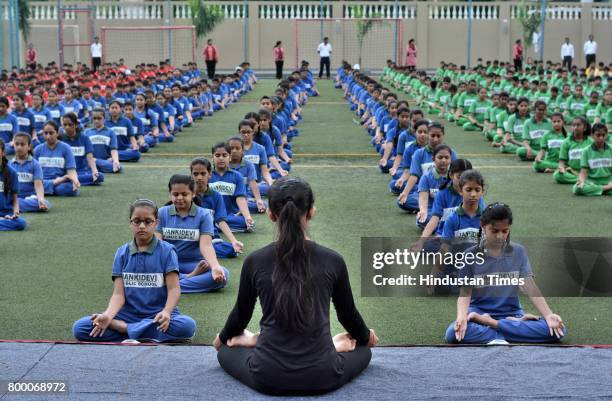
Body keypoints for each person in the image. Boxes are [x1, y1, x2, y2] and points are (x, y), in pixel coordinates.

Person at [213, 176, 378, 395]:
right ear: (311, 212)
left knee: (225, 350)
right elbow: (347, 316)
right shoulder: (332, 260)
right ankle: (331, 346)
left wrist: (221, 339)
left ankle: (256, 340)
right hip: (323, 374)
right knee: (363, 351)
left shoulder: (255, 261)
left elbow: (240, 316)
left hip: (267, 376)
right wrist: (366, 337)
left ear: (271, 215)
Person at [72, 199, 197, 343]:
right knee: (80, 328)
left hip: (157, 316)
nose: (142, 226)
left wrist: (167, 312)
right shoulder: (121, 252)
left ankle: (125, 330)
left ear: (156, 223)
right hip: (128, 315)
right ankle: (144, 333)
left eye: (148, 221)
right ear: (130, 223)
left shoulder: (167, 251)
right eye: (137, 221)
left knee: (187, 326)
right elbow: (118, 294)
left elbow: (174, 289)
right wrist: (108, 315)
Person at [446, 203, 566, 345]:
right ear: (483, 226)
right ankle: (511, 330)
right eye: (494, 231)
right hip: (477, 313)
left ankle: (494, 328)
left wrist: (548, 315)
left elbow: (530, 287)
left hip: (512, 314)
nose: (500, 236)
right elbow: (465, 293)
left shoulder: (519, 252)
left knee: (559, 329)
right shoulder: (469, 255)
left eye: (505, 231)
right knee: (452, 334)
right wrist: (461, 317)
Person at [156, 174, 229, 293]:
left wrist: (215, 266)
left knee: (222, 274)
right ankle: (188, 278)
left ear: (193, 194)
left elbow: (206, 245)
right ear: (170, 194)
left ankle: (167, 286)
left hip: (195, 264)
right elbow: (157, 244)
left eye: (184, 194)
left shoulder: (204, 215)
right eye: (175, 194)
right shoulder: (162, 213)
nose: (179, 198)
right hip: (169, 264)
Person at [9, 133, 51, 213]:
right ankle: (15, 205)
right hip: (13, 197)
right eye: (17, 144)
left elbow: (38, 184)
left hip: (30, 197)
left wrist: (41, 200)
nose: (19, 147)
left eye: (22, 144)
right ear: (13, 145)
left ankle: (14, 206)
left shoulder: (35, 164)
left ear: (29, 147)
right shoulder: (9, 164)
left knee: (46, 203)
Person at [573, 123, 612, 196]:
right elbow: (583, 171)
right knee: (577, 188)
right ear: (592, 135)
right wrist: (581, 181)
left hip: (609, 180)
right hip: (592, 181)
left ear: (606, 135)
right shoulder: (586, 151)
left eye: (603, 135)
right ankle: (606, 189)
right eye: (598, 135)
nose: (601, 138)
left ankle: (597, 190)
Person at [0, 139, 27, 231]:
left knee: (21, 223)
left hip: (6, 214)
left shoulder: (12, 173)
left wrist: (16, 213)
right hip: (3, 219)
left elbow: (15, 199)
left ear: (3, 153)